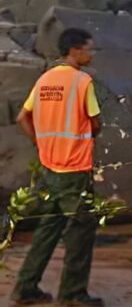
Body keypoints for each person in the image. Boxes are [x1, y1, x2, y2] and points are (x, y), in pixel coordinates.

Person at [11, 28, 104, 306]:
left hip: (48, 167)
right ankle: (73, 293)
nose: (92, 53)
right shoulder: (82, 82)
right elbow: (95, 122)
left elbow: (21, 118)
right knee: (80, 230)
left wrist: (40, 143)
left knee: (48, 228)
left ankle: (25, 287)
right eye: (89, 48)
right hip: (74, 169)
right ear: (75, 50)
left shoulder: (44, 80)